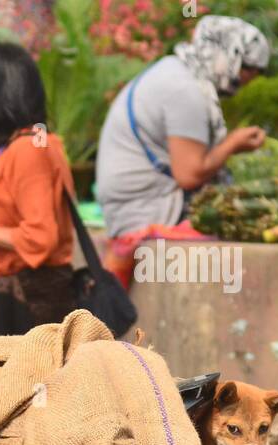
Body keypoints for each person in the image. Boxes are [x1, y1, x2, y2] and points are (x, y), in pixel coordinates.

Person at [95, 15, 269, 278]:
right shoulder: (184, 90)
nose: (248, 81)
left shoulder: (177, 71)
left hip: (130, 202)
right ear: (227, 56)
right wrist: (232, 145)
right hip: (141, 209)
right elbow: (189, 175)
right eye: (248, 71)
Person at [0, 42, 77, 335]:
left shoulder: (28, 150)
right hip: (20, 299)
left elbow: (40, 236)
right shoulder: (37, 143)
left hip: (27, 308)